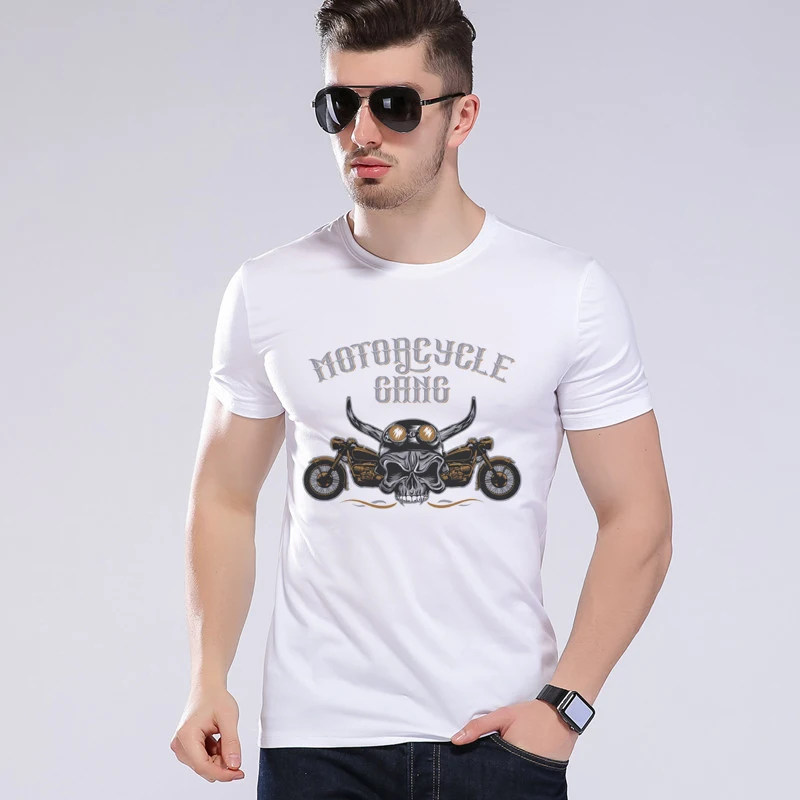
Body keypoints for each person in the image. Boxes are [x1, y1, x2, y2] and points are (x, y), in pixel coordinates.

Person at [169, 1, 673, 797]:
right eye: (340, 105)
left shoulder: (565, 291)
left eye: (396, 105)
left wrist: (565, 706)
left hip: (499, 742)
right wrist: (207, 678)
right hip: (316, 742)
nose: (362, 131)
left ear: (461, 116)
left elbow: (639, 516)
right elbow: (224, 497)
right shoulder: (268, 291)